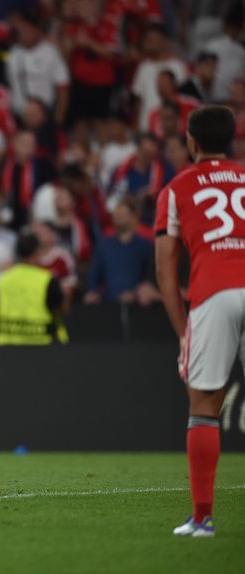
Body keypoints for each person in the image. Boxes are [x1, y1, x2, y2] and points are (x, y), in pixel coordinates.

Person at [155, 105, 245, 538]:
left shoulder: (176, 189)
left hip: (214, 292)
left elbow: (165, 271)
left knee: (205, 407)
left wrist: (182, 333)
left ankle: (203, 519)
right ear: (232, 140)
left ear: (191, 142)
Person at [0, 232, 67, 345]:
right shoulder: (46, 279)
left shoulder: (4, 278)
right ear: (36, 252)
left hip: (8, 342)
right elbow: (61, 309)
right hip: (39, 342)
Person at [84, 198, 157, 305]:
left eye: (123, 214)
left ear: (134, 216)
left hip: (138, 305)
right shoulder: (103, 245)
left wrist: (135, 293)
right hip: (108, 305)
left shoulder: (145, 246)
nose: (118, 217)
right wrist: (92, 292)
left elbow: (150, 277)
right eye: (117, 214)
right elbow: (93, 276)